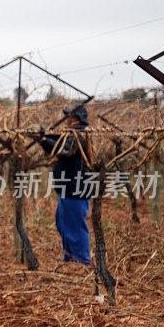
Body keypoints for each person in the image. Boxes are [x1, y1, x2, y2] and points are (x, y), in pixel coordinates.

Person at [37, 106, 92, 266]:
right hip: (67, 189)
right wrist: (44, 135)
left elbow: (64, 149)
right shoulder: (72, 135)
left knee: (75, 227)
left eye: (69, 117)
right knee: (63, 224)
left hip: (75, 190)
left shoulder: (80, 136)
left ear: (76, 120)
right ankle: (70, 258)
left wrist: (43, 140)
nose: (67, 120)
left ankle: (82, 262)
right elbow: (60, 140)